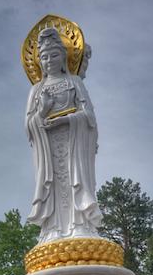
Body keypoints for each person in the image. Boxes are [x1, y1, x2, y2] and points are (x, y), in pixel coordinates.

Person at [25, 27, 102, 244]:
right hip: (49, 148)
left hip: (73, 143)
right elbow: (29, 126)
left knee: (74, 181)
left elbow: (89, 116)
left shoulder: (74, 83)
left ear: (64, 57)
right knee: (54, 187)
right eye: (44, 57)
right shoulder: (36, 90)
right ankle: (52, 230)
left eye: (54, 55)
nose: (49, 60)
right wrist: (42, 111)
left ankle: (80, 225)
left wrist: (67, 119)